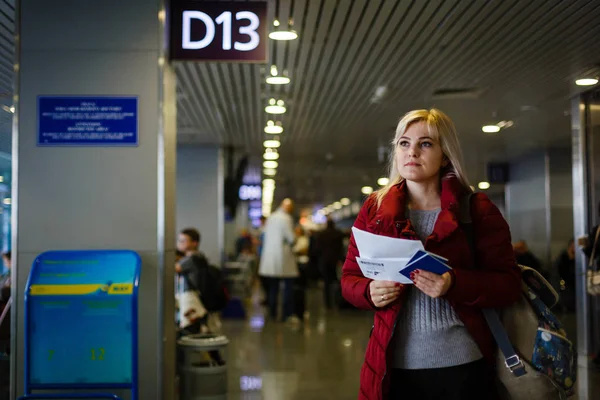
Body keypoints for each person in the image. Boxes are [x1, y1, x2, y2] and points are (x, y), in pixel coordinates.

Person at [341, 108, 521, 399]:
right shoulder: (375, 210)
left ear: (445, 155)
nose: (412, 152)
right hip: (392, 367)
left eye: (425, 143)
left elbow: (508, 284)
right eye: (404, 143)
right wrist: (368, 291)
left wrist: (454, 284)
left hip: (461, 365)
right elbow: (349, 277)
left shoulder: (475, 210)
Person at [258, 199, 298, 322]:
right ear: (288, 207)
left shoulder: (271, 218)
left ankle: (272, 314)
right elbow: (291, 239)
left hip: (270, 259)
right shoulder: (286, 219)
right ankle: (286, 314)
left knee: (273, 289)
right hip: (283, 258)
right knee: (287, 288)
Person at [316, 218, 344, 309]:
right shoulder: (338, 234)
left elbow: (318, 248)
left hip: (324, 261)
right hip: (336, 261)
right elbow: (341, 248)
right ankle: (337, 301)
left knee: (327, 283)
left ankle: (328, 304)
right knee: (337, 282)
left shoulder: (322, 234)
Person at [292, 225, 310, 321]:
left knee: (300, 288)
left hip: (302, 264)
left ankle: (300, 312)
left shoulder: (303, 239)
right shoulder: (296, 239)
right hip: (297, 264)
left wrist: (294, 251)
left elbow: (302, 250)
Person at [554, 239, 576, 312]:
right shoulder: (564, 256)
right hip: (565, 283)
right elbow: (562, 272)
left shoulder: (579, 257)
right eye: (573, 245)